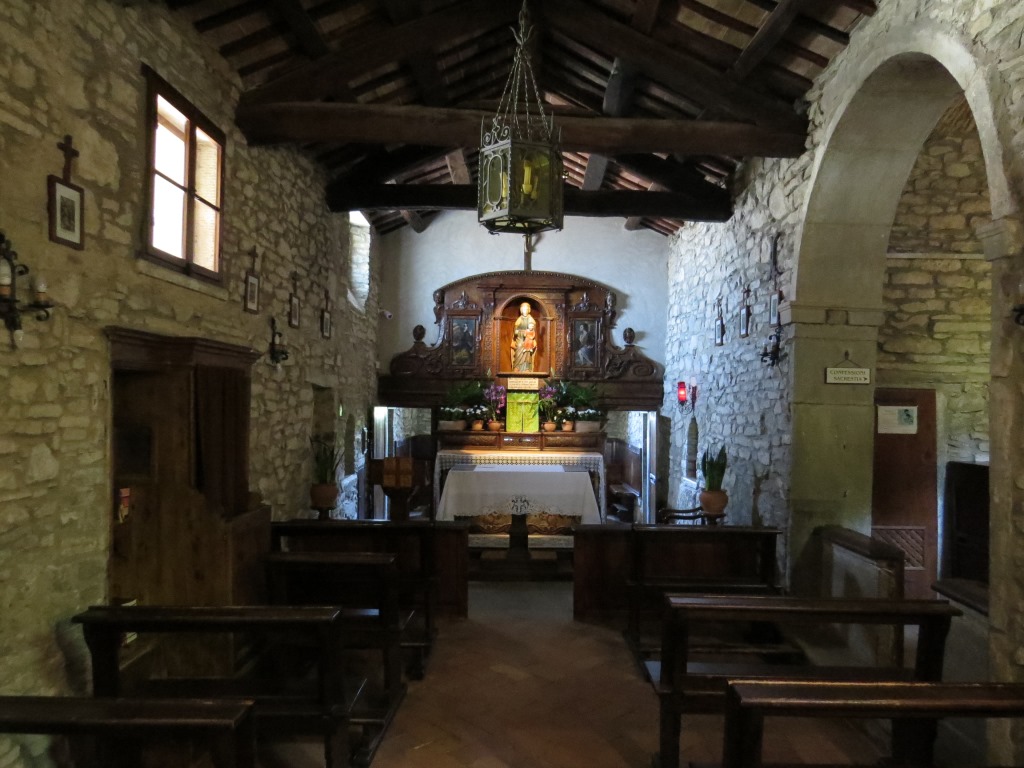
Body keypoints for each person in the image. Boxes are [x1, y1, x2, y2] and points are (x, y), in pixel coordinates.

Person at [511, 301, 537, 371]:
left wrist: (529, 334)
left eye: (526, 309)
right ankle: (517, 367)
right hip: (520, 339)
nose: (525, 311)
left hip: (528, 339)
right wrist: (522, 333)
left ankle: (527, 368)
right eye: (523, 309)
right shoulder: (519, 320)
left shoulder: (531, 320)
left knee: (528, 350)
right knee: (519, 346)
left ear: (529, 310)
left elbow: (534, 331)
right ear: (521, 310)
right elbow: (515, 332)